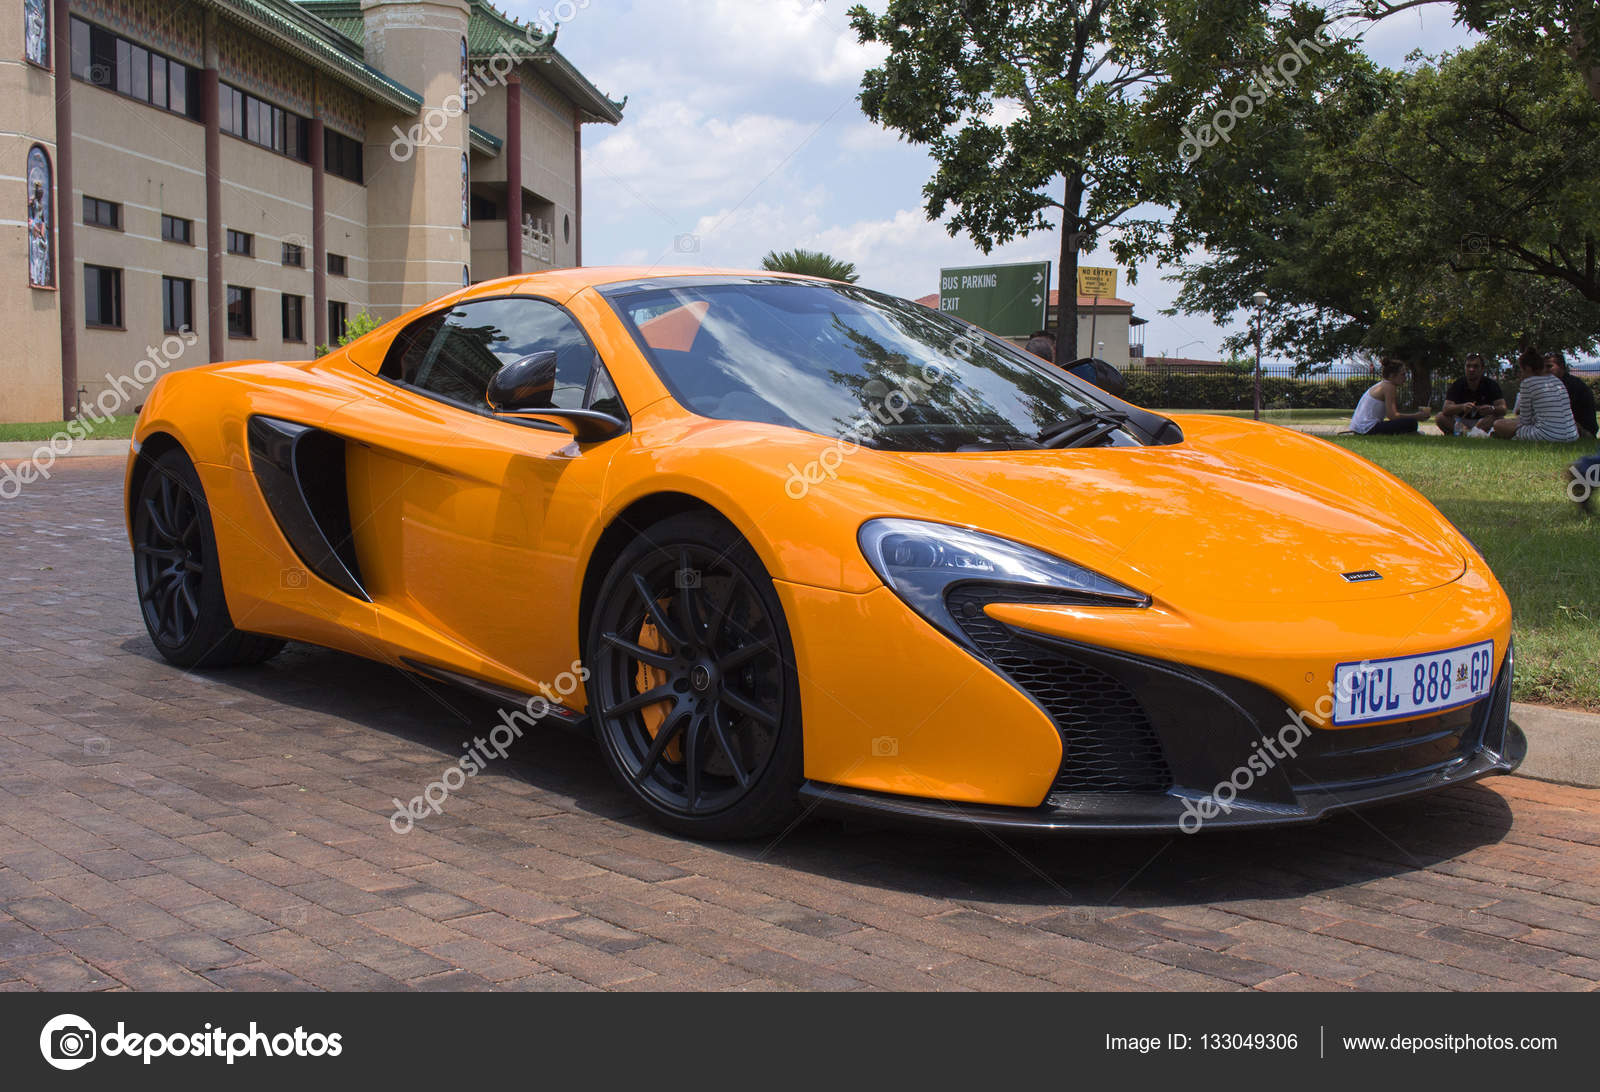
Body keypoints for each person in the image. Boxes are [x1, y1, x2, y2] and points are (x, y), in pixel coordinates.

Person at [1493, 348, 1579, 442]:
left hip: (1547, 435)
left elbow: (1525, 421)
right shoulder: (1556, 380)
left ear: (1527, 368)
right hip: (1572, 435)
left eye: (1521, 370)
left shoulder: (1528, 383)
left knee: (1498, 424)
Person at [1349, 358, 1430, 434]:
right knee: (1411, 423)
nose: (1405, 378)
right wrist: (1416, 416)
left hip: (1359, 428)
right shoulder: (1389, 387)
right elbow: (1392, 416)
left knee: (1408, 422)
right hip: (1367, 428)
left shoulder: (1382, 385)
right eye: (1403, 374)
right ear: (1391, 375)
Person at [1435, 353, 1506, 435]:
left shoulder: (1491, 385)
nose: (1471, 369)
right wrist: (1462, 407)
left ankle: (1468, 433)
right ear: (1465, 368)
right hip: (1461, 421)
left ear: (1482, 369)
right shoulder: (1457, 384)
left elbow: (1503, 409)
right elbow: (1446, 409)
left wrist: (1492, 408)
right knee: (1440, 417)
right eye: (1468, 366)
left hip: (1483, 421)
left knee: (1498, 418)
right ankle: (1471, 433)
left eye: (1475, 366)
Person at [1544, 351, 1597, 439]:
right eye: (1544, 367)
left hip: (1583, 431)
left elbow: (1559, 415)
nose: (1546, 370)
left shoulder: (1571, 386)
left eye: (1549, 366)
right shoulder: (1557, 384)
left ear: (1561, 367)